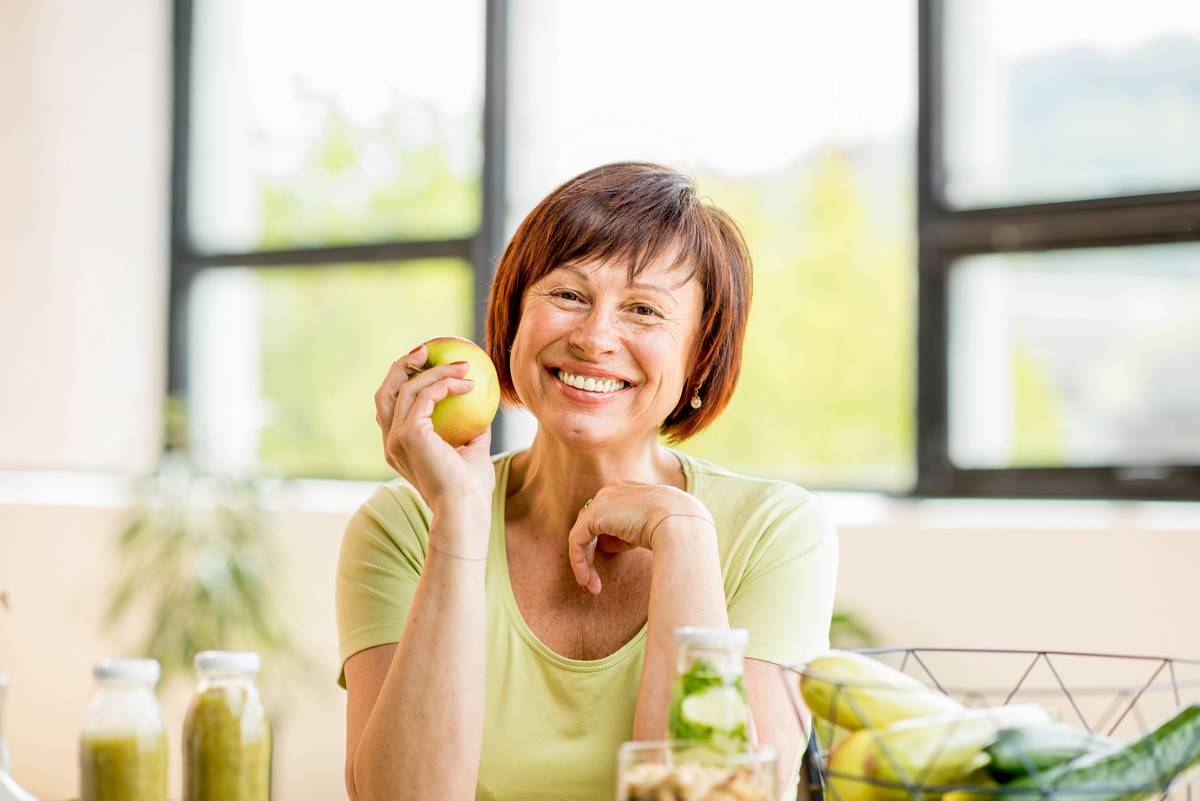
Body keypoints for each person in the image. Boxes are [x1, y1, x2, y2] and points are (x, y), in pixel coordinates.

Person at [336, 161, 839, 801]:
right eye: (568, 295)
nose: (595, 337)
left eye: (643, 310)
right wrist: (459, 521)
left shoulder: (775, 532)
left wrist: (682, 536)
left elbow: (711, 798)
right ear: (514, 315)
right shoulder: (403, 527)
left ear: (700, 353)